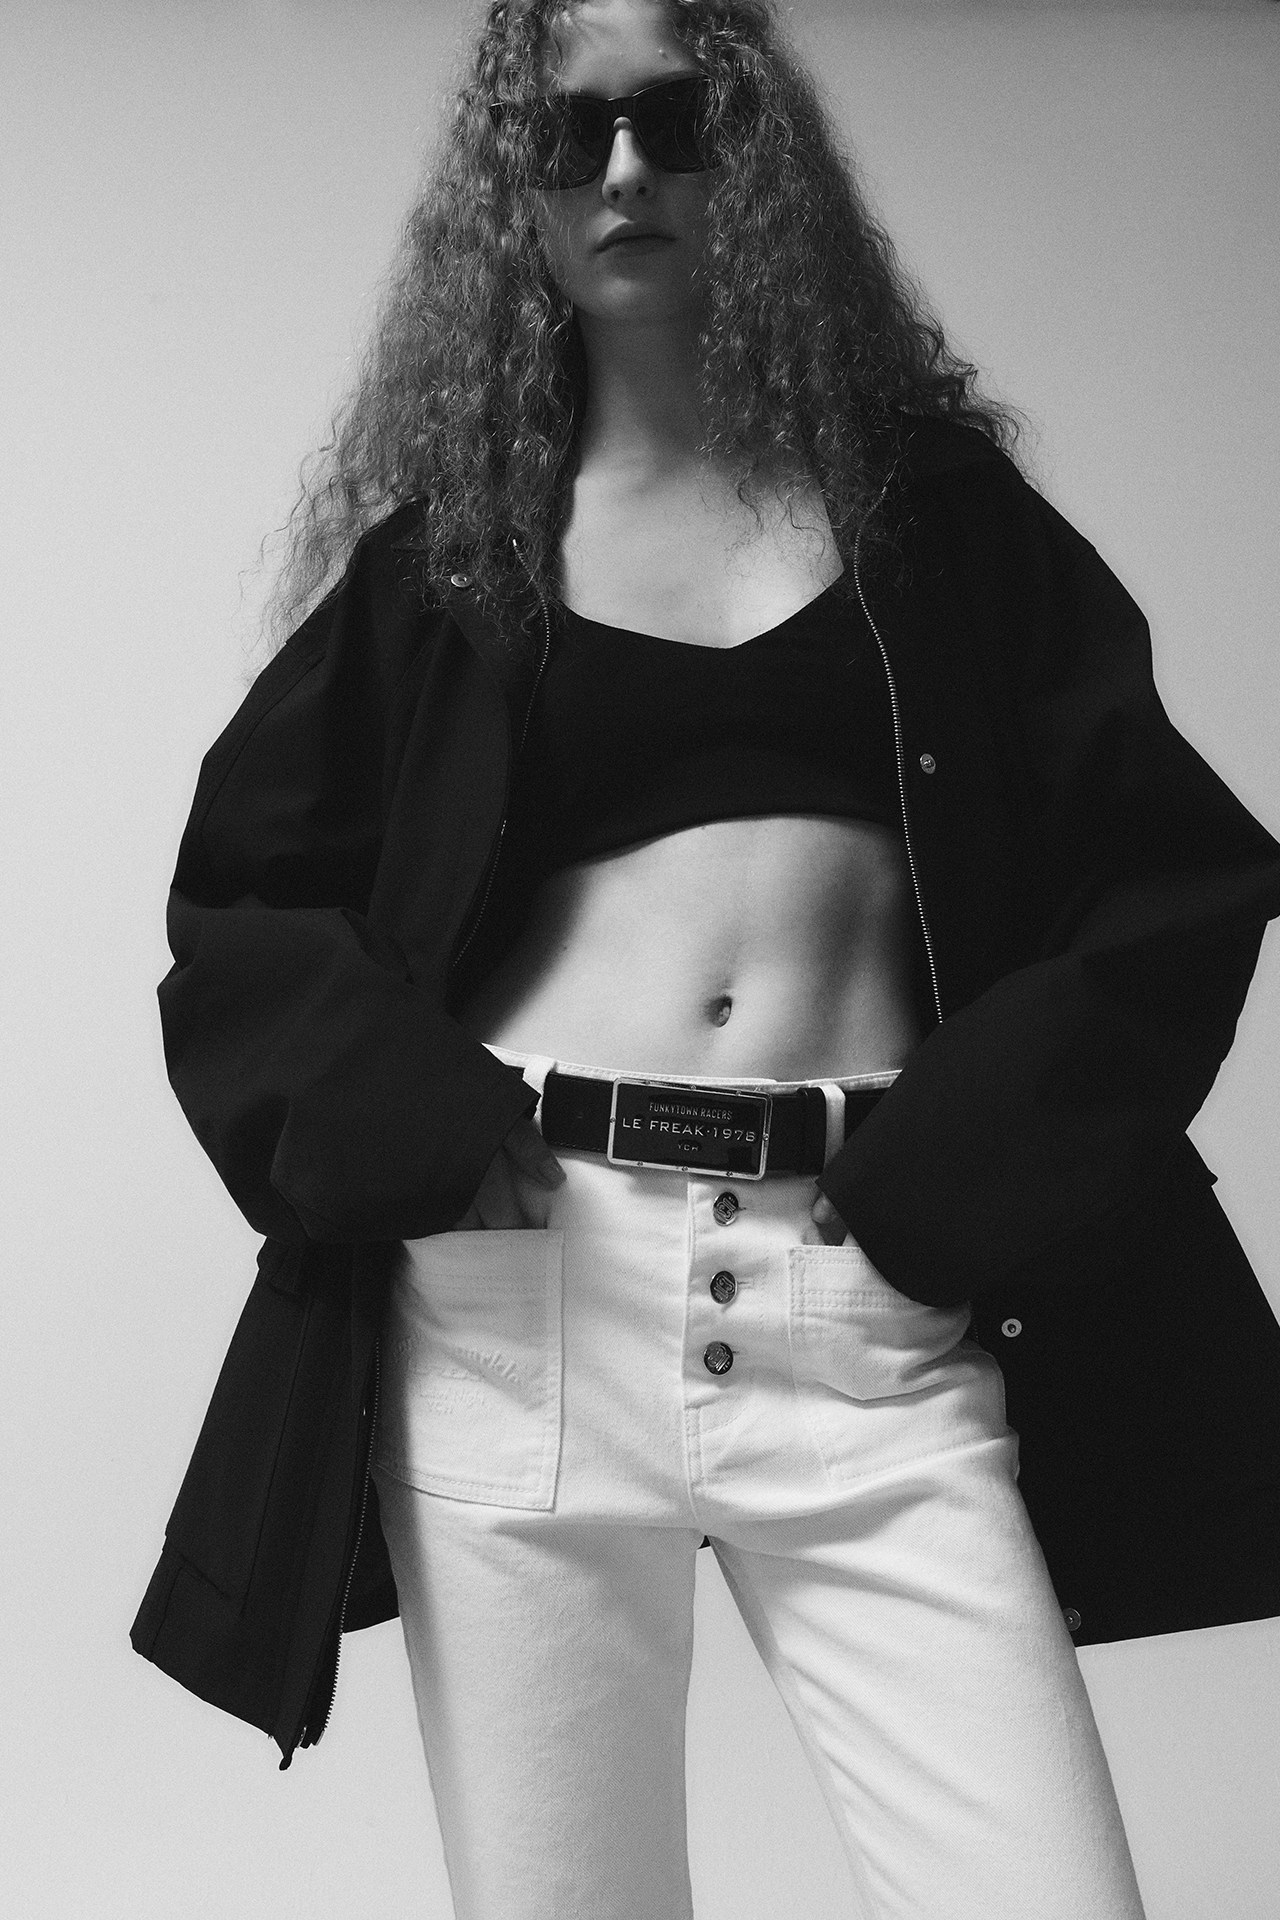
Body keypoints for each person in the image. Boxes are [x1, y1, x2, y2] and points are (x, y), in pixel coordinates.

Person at [132, 1, 1280, 1915]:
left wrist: (955, 1171)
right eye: (568, 136)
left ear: (758, 159)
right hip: (525, 1312)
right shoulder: (454, 561)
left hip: (863, 1300)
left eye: (676, 121)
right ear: (512, 194)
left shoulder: (937, 523)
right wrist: (423, 1132)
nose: (625, 173)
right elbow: (241, 907)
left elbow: (1173, 880)